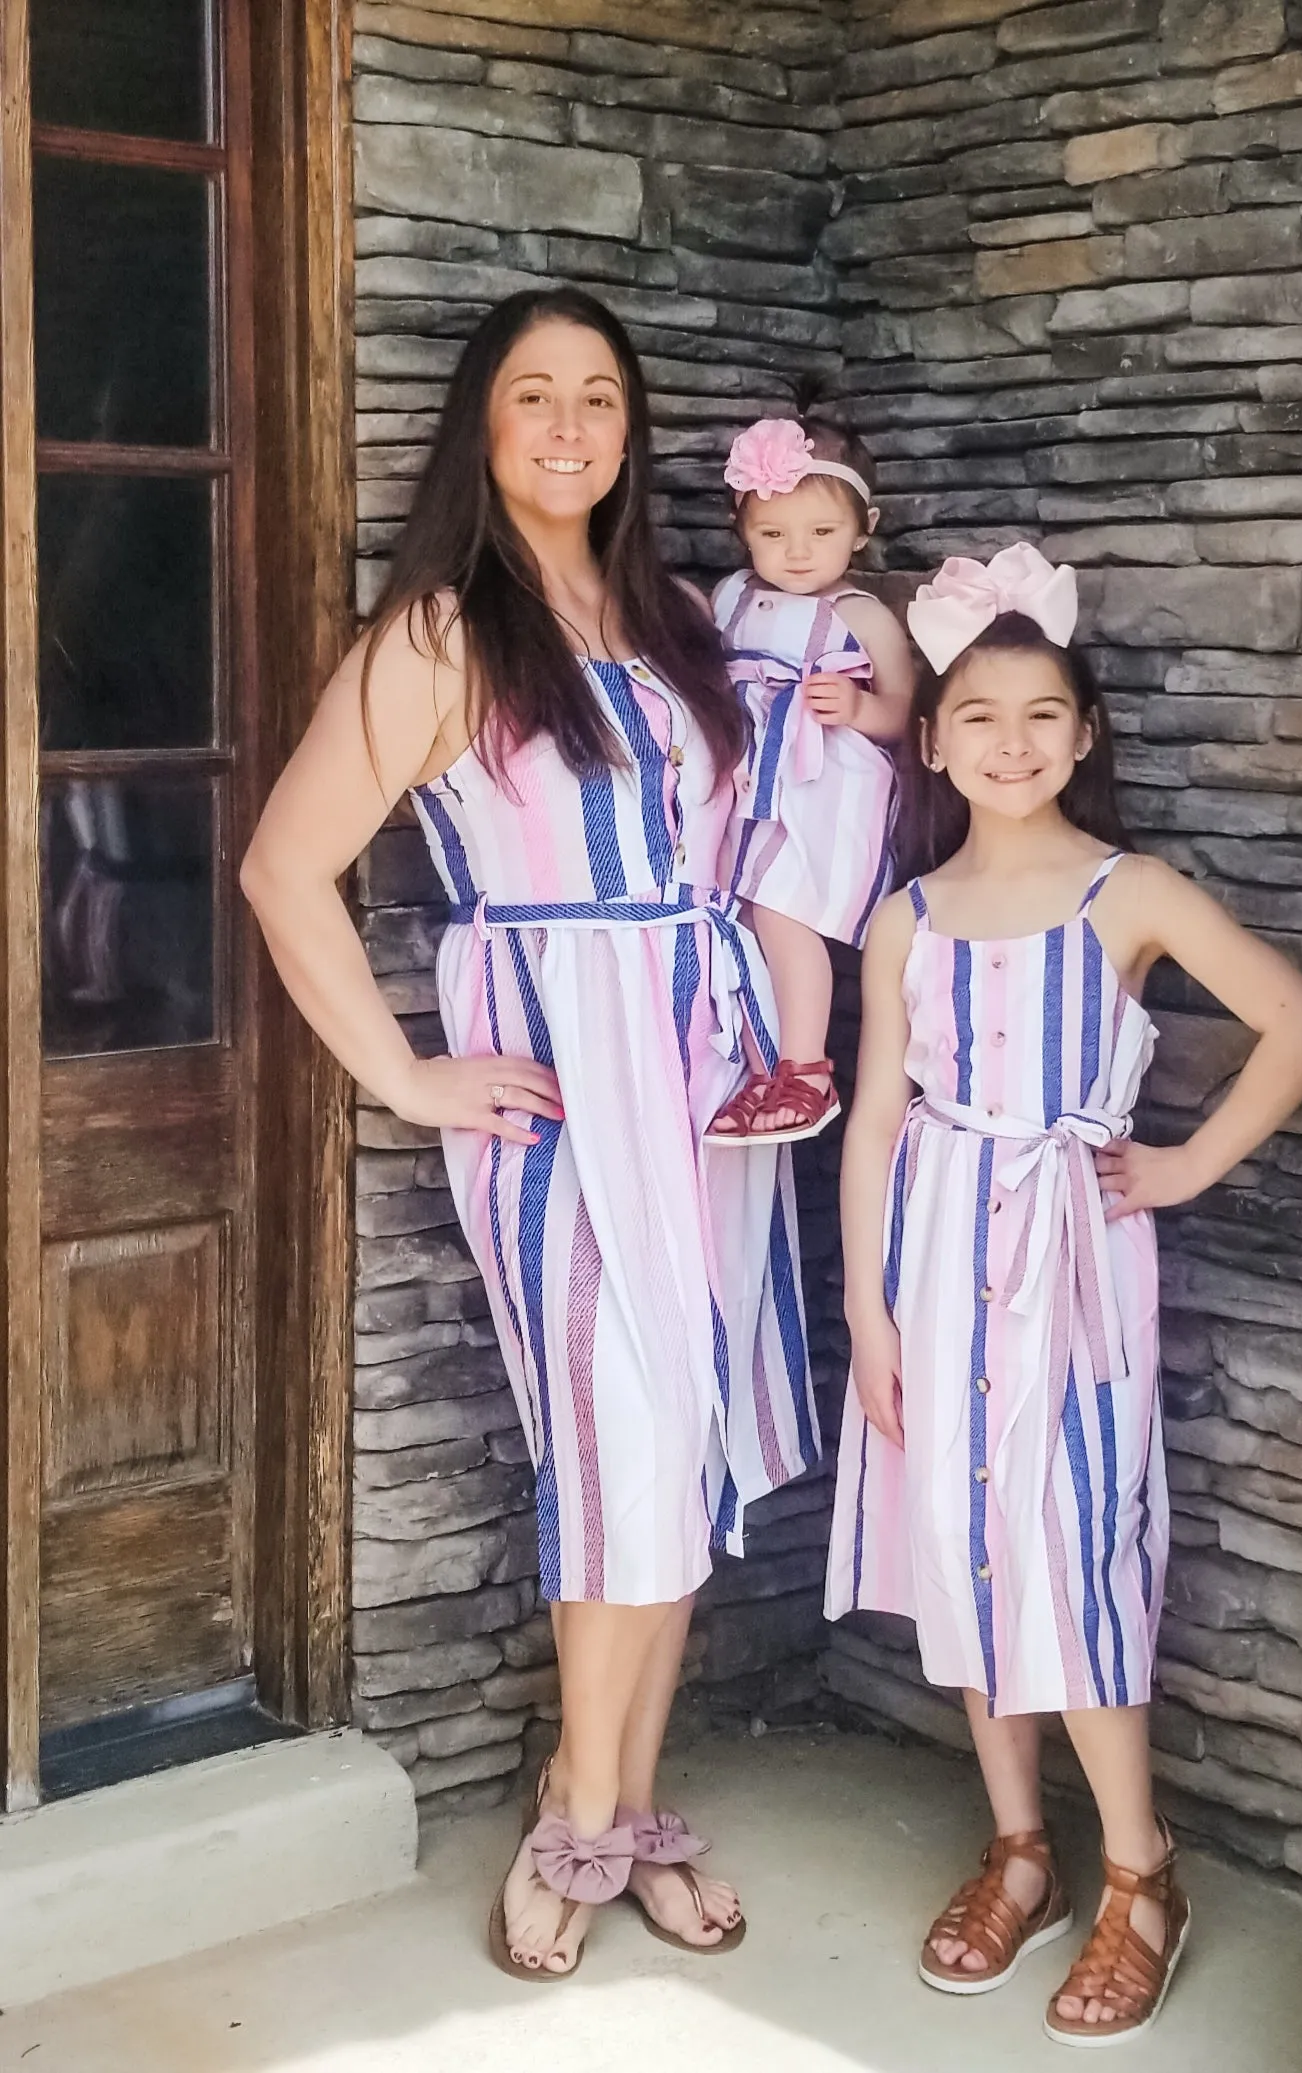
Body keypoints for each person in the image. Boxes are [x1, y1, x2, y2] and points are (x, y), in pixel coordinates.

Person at [242, 287, 818, 1982]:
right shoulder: (442, 631)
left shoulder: (675, 617)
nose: (568, 425)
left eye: (596, 398)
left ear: (627, 430)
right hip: (565, 1079)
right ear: (480, 428)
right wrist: (405, 1074)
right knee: (619, 1437)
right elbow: (286, 865)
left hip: (710, 1076)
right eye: (531, 398)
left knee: (690, 1434)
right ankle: (576, 1804)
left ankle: (630, 1802)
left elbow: (775, 820)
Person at [824, 543, 1302, 2044]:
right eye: (976, 715)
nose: (1010, 741)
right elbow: (868, 1124)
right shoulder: (904, 919)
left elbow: (1297, 1026)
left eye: (1041, 713)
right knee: (970, 1550)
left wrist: (1175, 1171)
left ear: (1083, 732)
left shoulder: (1129, 894)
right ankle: (1021, 1852)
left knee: (1078, 1554)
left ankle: (1138, 1872)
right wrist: (867, 1311)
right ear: (931, 738)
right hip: (931, 1263)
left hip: (1069, 1268)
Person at [706, 416, 913, 1144]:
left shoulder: (860, 615)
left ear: (863, 529)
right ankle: (756, 1067)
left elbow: (909, 712)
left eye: (822, 533)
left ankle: (805, 1066)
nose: (797, 552)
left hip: (818, 788)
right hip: (745, 785)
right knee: (742, 923)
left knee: (785, 918)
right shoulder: (730, 598)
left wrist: (858, 706)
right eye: (773, 533)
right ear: (742, 526)